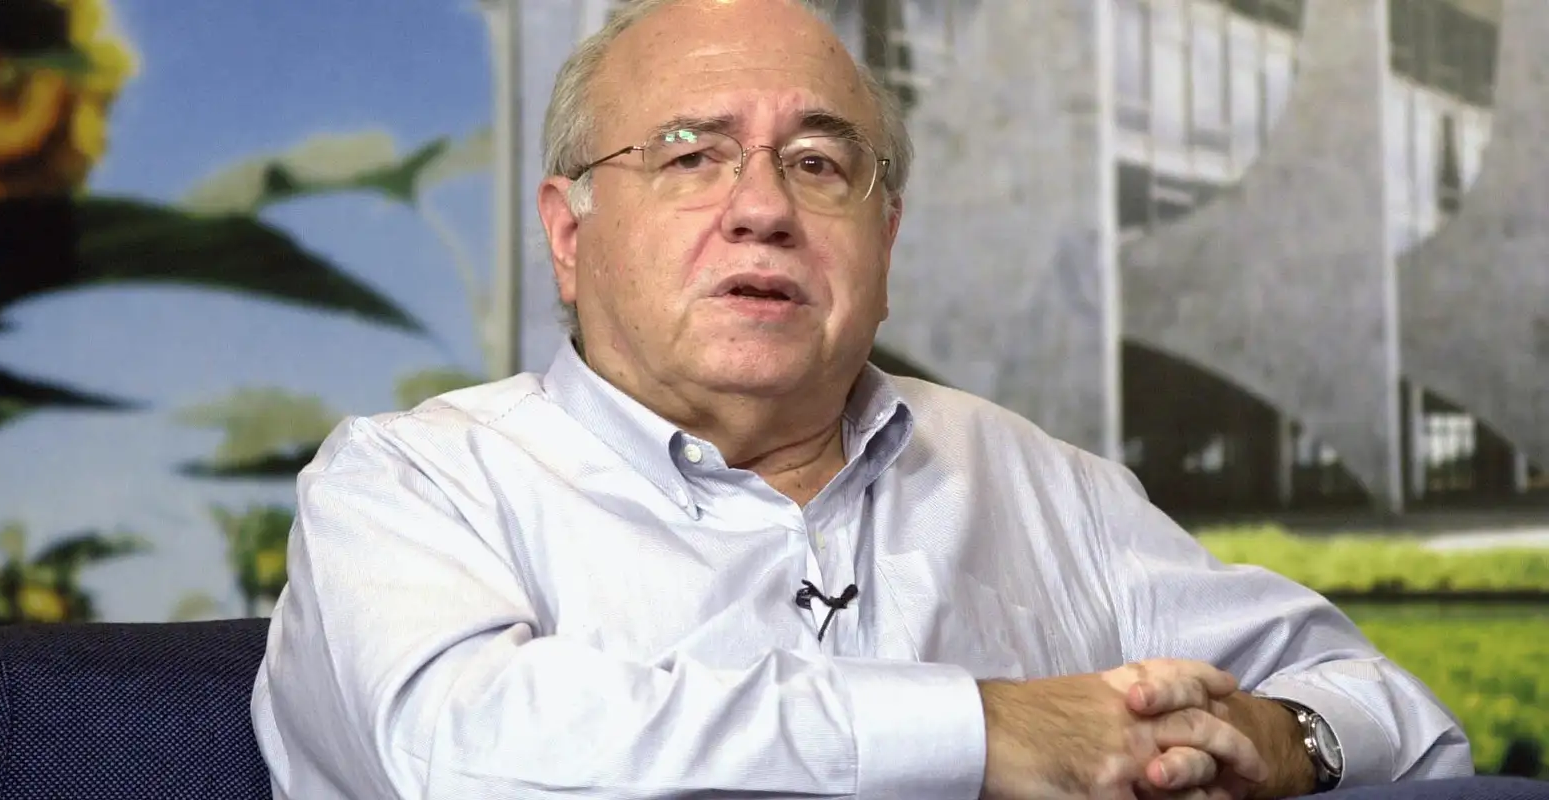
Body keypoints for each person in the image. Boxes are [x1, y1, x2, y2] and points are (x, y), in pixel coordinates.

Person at [249, 0, 1473, 797]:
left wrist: (1283, 741)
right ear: (570, 236)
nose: (762, 207)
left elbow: (1399, 711)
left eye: (819, 162)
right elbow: (457, 752)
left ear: (882, 241)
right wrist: (985, 731)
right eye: (689, 154)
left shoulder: (1034, 476)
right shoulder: (410, 480)